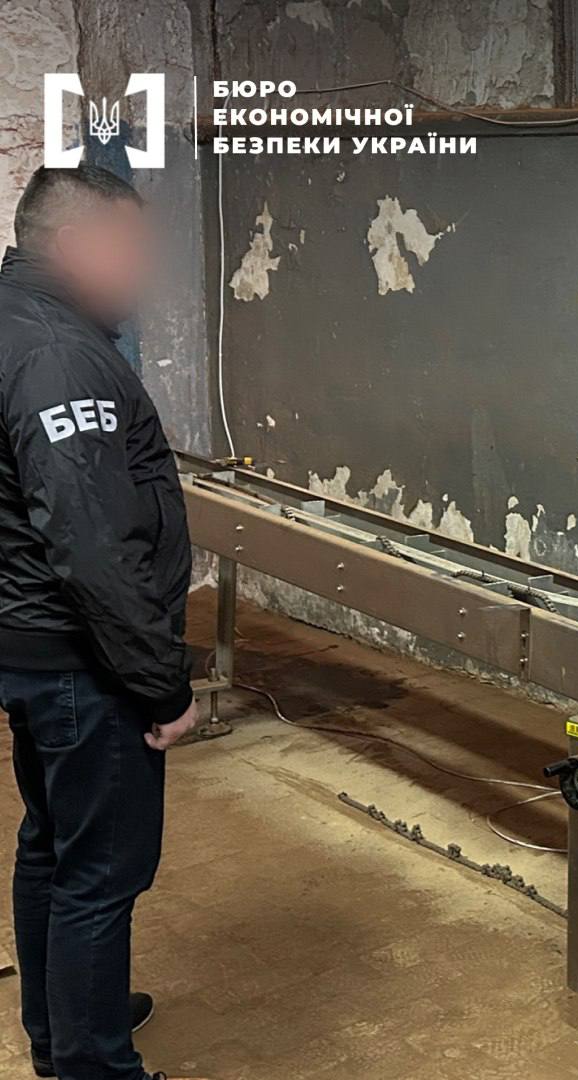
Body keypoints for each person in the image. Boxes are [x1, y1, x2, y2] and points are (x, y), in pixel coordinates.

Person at [0, 164, 208, 1080]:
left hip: (30, 641)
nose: (140, 269)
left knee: (53, 843)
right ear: (75, 244)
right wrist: (161, 682)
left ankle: (62, 1026)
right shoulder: (58, 355)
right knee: (101, 871)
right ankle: (91, 1061)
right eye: (128, 248)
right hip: (80, 660)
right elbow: (91, 544)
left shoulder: (17, 322)